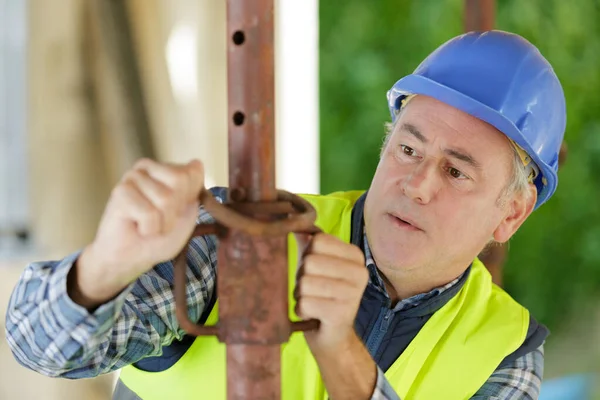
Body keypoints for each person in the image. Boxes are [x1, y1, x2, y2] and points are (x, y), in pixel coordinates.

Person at [5, 30, 566, 399]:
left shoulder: (507, 352)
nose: (417, 185)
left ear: (510, 215)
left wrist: (342, 353)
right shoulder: (249, 229)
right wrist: (104, 266)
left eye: (456, 172)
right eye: (408, 149)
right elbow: (36, 345)